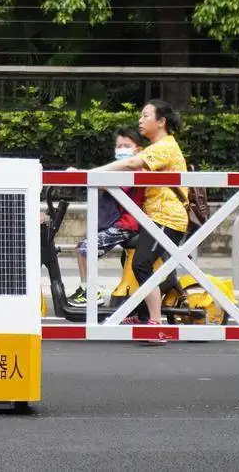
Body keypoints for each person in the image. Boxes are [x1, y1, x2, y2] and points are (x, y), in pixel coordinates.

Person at [87, 99, 189, 336]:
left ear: (161, 122)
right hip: (151, 217)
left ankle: (155, 322)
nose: (140, 121)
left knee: (141, 263)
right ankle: (141, 313)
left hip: (167, 218)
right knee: (131, 259)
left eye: (145, 116)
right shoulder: (154, 149)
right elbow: (133, 169)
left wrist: (90, 174)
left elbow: (133, 163)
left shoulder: (165, 146)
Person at [67, 128, 145, 307]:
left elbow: (103, 183)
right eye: (119, 146)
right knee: (82, 247)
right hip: (119, 222)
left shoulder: (135, 171)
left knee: (86, 247)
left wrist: (80, 174)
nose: (121, 149)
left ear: (138, 150)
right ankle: (87, 287)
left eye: (126, 145)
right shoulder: (122, 170)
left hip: (126, 225)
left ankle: (92, 292)